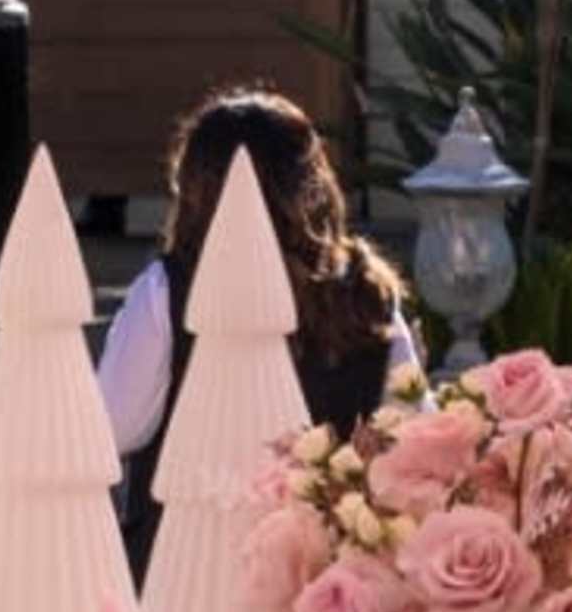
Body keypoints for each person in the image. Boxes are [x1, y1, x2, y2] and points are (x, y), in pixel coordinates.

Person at [97, 85, 417, 541]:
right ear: (314, 184)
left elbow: (111, 428)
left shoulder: (165, 292)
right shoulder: (365, 292)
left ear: (192, 188)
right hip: (326, 563)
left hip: (187, 559)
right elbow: (409, 426)